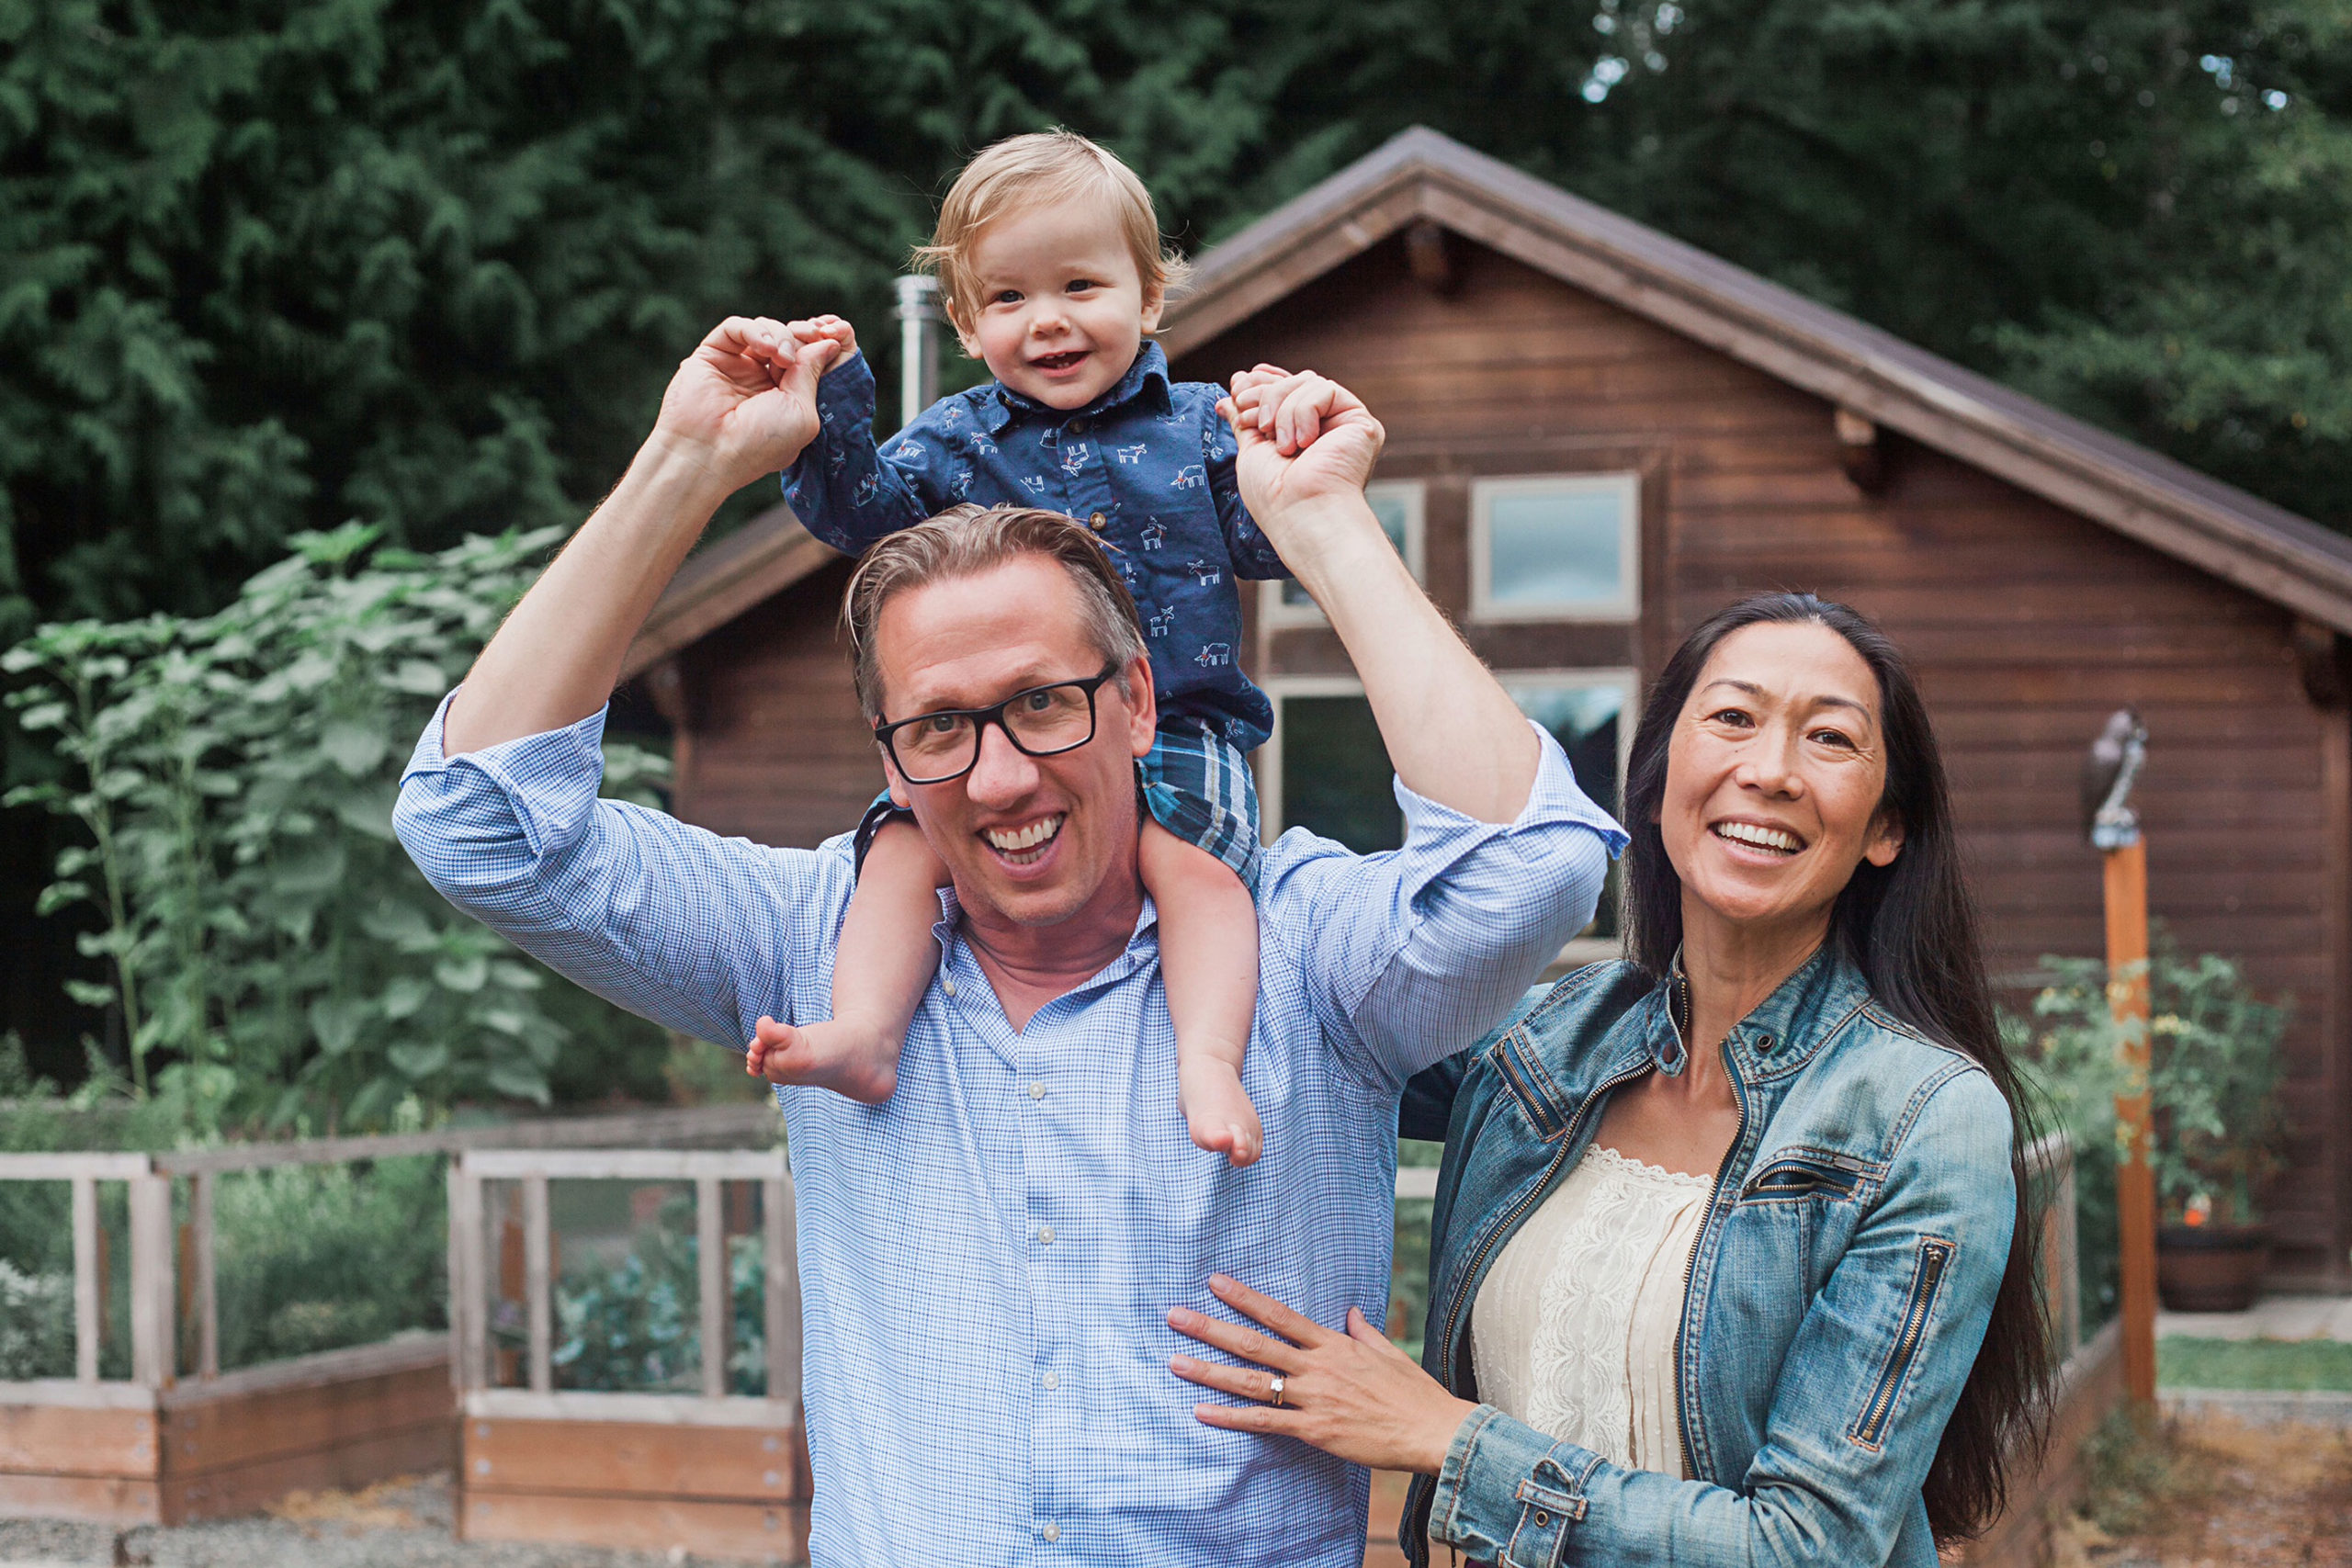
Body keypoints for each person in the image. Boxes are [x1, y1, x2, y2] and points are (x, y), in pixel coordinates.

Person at [391, 312, 1625, 1562]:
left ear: (1138, 699)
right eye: (939, 728)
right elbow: (478, 824)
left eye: (1043, 703)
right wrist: (686, 462)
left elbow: (1532, 863)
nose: (998, 780)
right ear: (888, 755)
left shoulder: (1299, 951)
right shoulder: (810, 940)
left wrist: (1325, 528)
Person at [1165, 593, 2052, 1567]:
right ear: (1661, 770)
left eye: (1829, 739)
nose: (1768, 772)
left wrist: (1445, 1439)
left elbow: (1811, 1546)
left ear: (1884, 827)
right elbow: (1315, 1000)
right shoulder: (1546, 1041)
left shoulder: (1923, 1120)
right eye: (1732, 718)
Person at [774, 130, 1290, 1166]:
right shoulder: (951, 441)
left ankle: (1207, 1058)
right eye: (1007, 300)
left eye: (1080, 287)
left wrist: (1290, 438)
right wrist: (828, 397)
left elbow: (1275, 537)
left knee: (1194, 874)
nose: (1047, 320)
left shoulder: (1202, 428)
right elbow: (855, 515)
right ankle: (869, 1030)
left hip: (1177, 727)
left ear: (1146, 297)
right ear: (964, 324)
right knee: (898, 848)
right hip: (1008, 730)